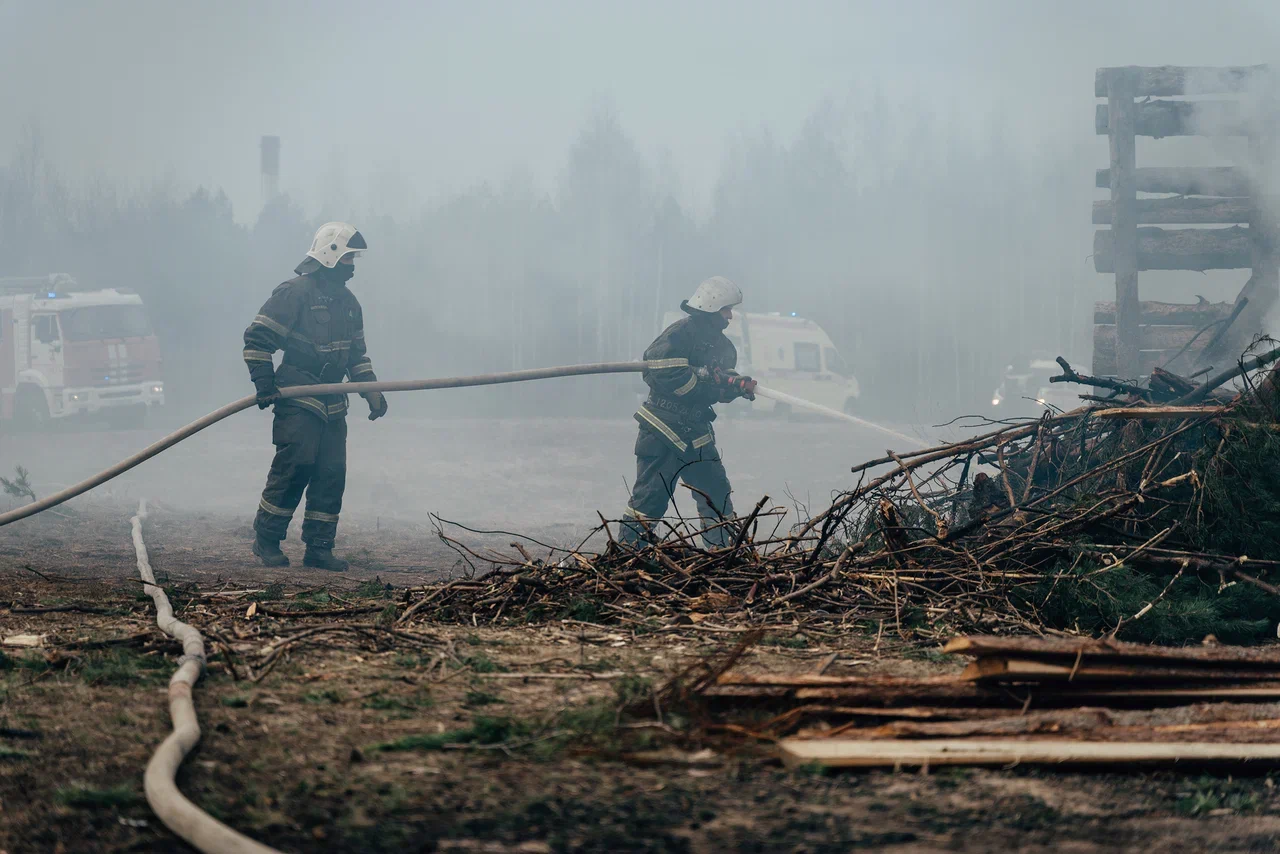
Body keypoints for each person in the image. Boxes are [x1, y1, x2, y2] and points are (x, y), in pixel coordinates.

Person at [242, 222, 388, 571]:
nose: (353, 266)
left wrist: (372, 392)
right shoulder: (294, 293)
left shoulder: (349, 304)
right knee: (296, 466)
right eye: (349, 257)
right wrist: (264, 383)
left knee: (331, 472)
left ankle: (319, 548)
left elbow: (356, 357)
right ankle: (267, 539)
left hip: (334, 401)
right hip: (298, 395)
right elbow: (257, 340)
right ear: (331, 254)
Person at [620, 276, 757, 548]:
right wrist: (710, 389)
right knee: (651, 498)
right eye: (725, 310)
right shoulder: (678, 336)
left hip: (696, 433)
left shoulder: (723, 347)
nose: (730, 316)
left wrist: (735, 386)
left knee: (716, 493)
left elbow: (719, 387)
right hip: (663, 430)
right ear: (710, 307)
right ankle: (627, 554)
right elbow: (664, 375)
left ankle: (722, 553)